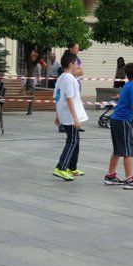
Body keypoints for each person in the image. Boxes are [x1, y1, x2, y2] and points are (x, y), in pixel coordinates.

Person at [52, 52, 87, 181]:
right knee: (72, 141)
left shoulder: (61, 77)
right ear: (71, 64)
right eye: (76, 64)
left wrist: (58, 115)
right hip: (70, 116)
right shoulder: (69, 79)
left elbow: (57, 97)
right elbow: (69, 99)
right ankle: (61, 167)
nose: (77, 66)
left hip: (65, 114)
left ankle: (71, 167)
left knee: (75, 141)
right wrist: (75, 117)